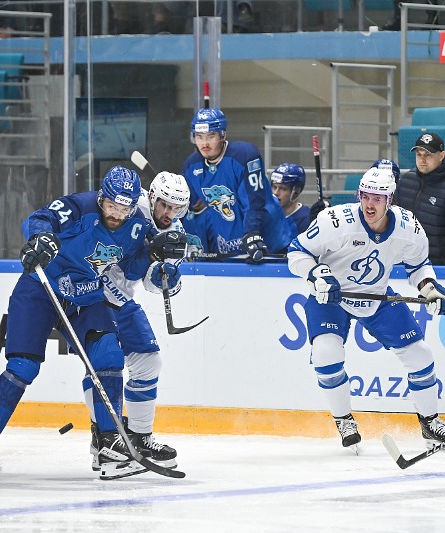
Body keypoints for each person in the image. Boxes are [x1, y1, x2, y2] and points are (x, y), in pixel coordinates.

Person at [0, 166, 185, 481]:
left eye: (124, 209)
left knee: (109, 354)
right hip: (41, 289)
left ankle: (108, 444)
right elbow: (39, 219)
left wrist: (155, 259)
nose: (117, 214)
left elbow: (134, 269)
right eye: (112, 206)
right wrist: (40, 238)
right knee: (23, 367)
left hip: (86, 295)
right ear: (102, 197)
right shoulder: (79, 206)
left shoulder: (137, 224)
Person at [287, 167, 445, 451]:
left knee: (420, 354)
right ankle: (344, 420)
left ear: (390, 200)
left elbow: (418, 266)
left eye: (377, 198)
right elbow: (297, 251)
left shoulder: (408, 228)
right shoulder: (336, 221)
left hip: (376, 296)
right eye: (365, 196)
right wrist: (318, 274)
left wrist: (429, 288)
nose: (369, 204)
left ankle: (430, 424)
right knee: (325, 353)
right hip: (331, 296)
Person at [87, 171, 191, 474]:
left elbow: (150, 283)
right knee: (102, 365)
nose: (169, 213)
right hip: (89, 294)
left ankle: (140, 437)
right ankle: (103, 439)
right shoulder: (130, 206)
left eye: (177, 208)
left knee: (149, 362)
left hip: (121, 298)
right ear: (151, 197)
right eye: (165, 205)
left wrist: (167, 277)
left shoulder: (176, 232)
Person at [181, 107, 293, 263]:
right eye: (199, 137)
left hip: (266, 239)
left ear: (223, 135)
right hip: (229, 243)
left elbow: (254, 200)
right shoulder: (191, 166)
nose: (204, 143)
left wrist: (252, 233)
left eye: (210, 136)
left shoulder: (245, 155)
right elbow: (186, 204)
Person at [397, 132, 445, 265]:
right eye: (419, 154)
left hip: (440, 267)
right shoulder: (405, 181)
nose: (422, 159)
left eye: (428, 155)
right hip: (408, 266)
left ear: (441, 155)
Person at [270, 163, 310, 234]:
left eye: (283, 188)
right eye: (274, 187)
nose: (276, 193)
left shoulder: (307, 219)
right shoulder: (265, 214)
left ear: (296, 191)